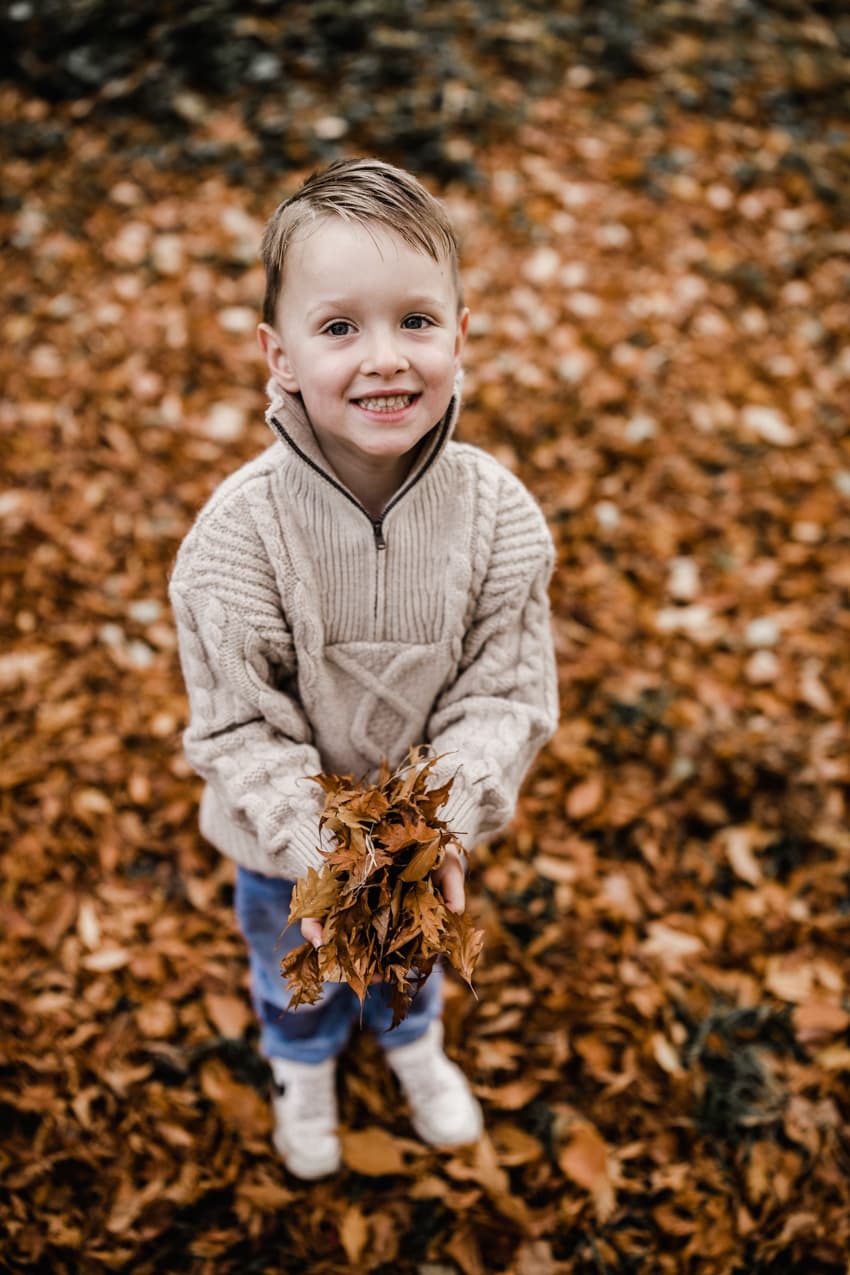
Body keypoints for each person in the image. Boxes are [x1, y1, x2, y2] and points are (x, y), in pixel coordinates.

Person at [169, 158, 559, 1179]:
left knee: (412, 949)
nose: (384, 357)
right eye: (339, 326)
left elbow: (505, 693)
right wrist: (324, 851)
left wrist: (438, 820)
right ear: (280, 355)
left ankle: (411, 1039)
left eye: (415, 321)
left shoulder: (500, 520)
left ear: (460, 335)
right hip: (282, 850)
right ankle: (300, 1064)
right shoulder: (235, 543)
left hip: (425, 843)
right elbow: (236, 725)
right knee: (291, 964)